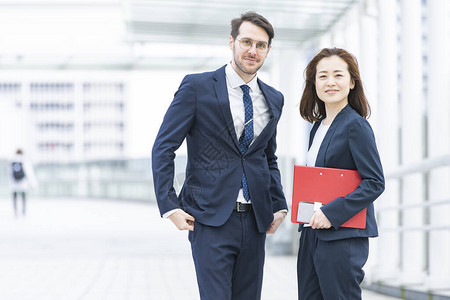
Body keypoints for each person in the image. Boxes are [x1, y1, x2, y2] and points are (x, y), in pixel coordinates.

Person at [152, 11, 288, 300]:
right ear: (232, 42)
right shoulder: (197, 86)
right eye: (246, 42)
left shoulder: (274, 98)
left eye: (260, 45)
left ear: (268, 50)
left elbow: (268, 157)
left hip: (255, 221)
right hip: (210, 219)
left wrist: (279, 205)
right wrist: (169, 205)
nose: (253, 50)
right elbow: (164, 146)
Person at [297, 48, 385, 300]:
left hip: (341, 236)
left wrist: (330, 213)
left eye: (338, 75)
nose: (330, 82)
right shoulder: (317, 127)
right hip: (312, 232)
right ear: (314, 84)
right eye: (322, 76)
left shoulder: (356, 125)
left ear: (352, 82)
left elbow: (374, 182)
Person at [9, 149, 37, 217]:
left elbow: (10, 174)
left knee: (15, 197)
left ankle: (15, 211)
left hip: (14, 184)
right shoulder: (25, 161)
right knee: (23, 197)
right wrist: (34, 185)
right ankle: (23, 211)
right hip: (23, 184)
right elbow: (29, 174)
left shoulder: (12, 161)